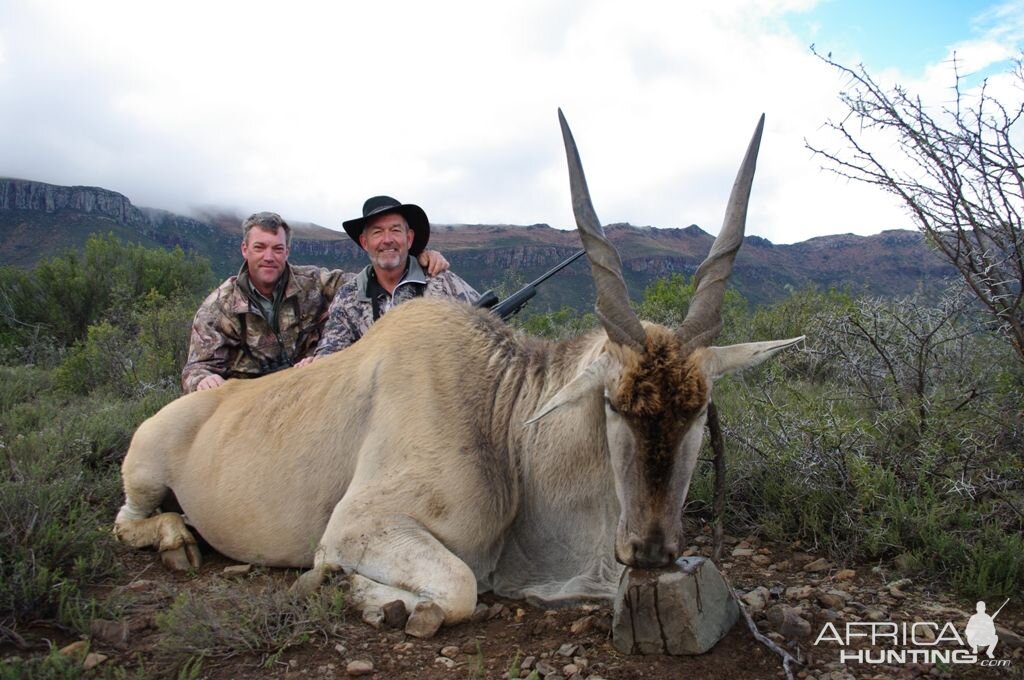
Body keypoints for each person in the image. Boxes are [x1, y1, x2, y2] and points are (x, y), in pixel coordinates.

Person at [181, 211, 449, 392]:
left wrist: (417, 258)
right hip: (251, 404)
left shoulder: (316, 282)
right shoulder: (219, 306)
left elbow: (374, 279)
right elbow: (196, 367)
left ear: (287, 251)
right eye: (260, 248)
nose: (269, 257)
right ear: (245, 249)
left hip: (310, 393)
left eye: (277, 248)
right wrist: (202, 380)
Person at [308, 195, 479, 359]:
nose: (387, 239)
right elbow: (329, 355)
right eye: (377, 232)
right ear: (364, 242)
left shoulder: (441, 281)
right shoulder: (348, 297)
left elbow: (488, 323)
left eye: (395, 230)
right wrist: (315, 363)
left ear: (409, 238)